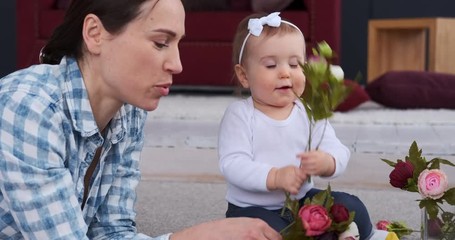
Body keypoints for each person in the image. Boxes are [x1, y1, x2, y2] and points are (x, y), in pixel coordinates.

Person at [0, 0, 282, 239]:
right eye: (161, 43)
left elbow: (111, 231)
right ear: (95, 34)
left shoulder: (128, 110)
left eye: (177, 44)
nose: (177, 64)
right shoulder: (29, 110)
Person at [218, 12, 388, 240]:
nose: (285, 73)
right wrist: (275, 176)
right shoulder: (240, 115)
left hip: (304, 200)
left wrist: (328, 162)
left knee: (350, 205)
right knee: (271, 234)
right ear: (244, 75)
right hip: (252, 209)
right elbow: (233, 164)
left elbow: (337, 149)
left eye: (295, 64)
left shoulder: (308, 113)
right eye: (270, 65)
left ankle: (368, 235)